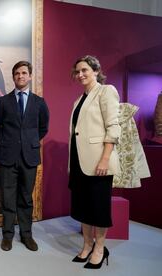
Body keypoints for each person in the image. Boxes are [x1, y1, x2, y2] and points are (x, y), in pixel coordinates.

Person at [0, 60, 49, 251]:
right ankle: (7, 236)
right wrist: (10, 142)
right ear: (13, 77)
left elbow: (43, 128)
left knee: (26, 198)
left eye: (24, 73)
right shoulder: (2, 102)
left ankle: (26, 235)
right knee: (8, 197)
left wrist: (27, 142)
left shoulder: (39, 103)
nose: (20, 76)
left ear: (30, 76)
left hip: (29, 157)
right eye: (17, 73)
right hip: (8, 156)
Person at [69, 55, 121, 269]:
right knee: (83, 206)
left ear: (96, 71)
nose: (80, 74)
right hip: (79, 161)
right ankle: (87, 244)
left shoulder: (106, 91)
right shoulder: (79, 100)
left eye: (85, 70)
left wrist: (105, 159)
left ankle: (100, 248)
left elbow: (113, 127)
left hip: (99, 161)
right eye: (77, 71)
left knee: (98, 207)